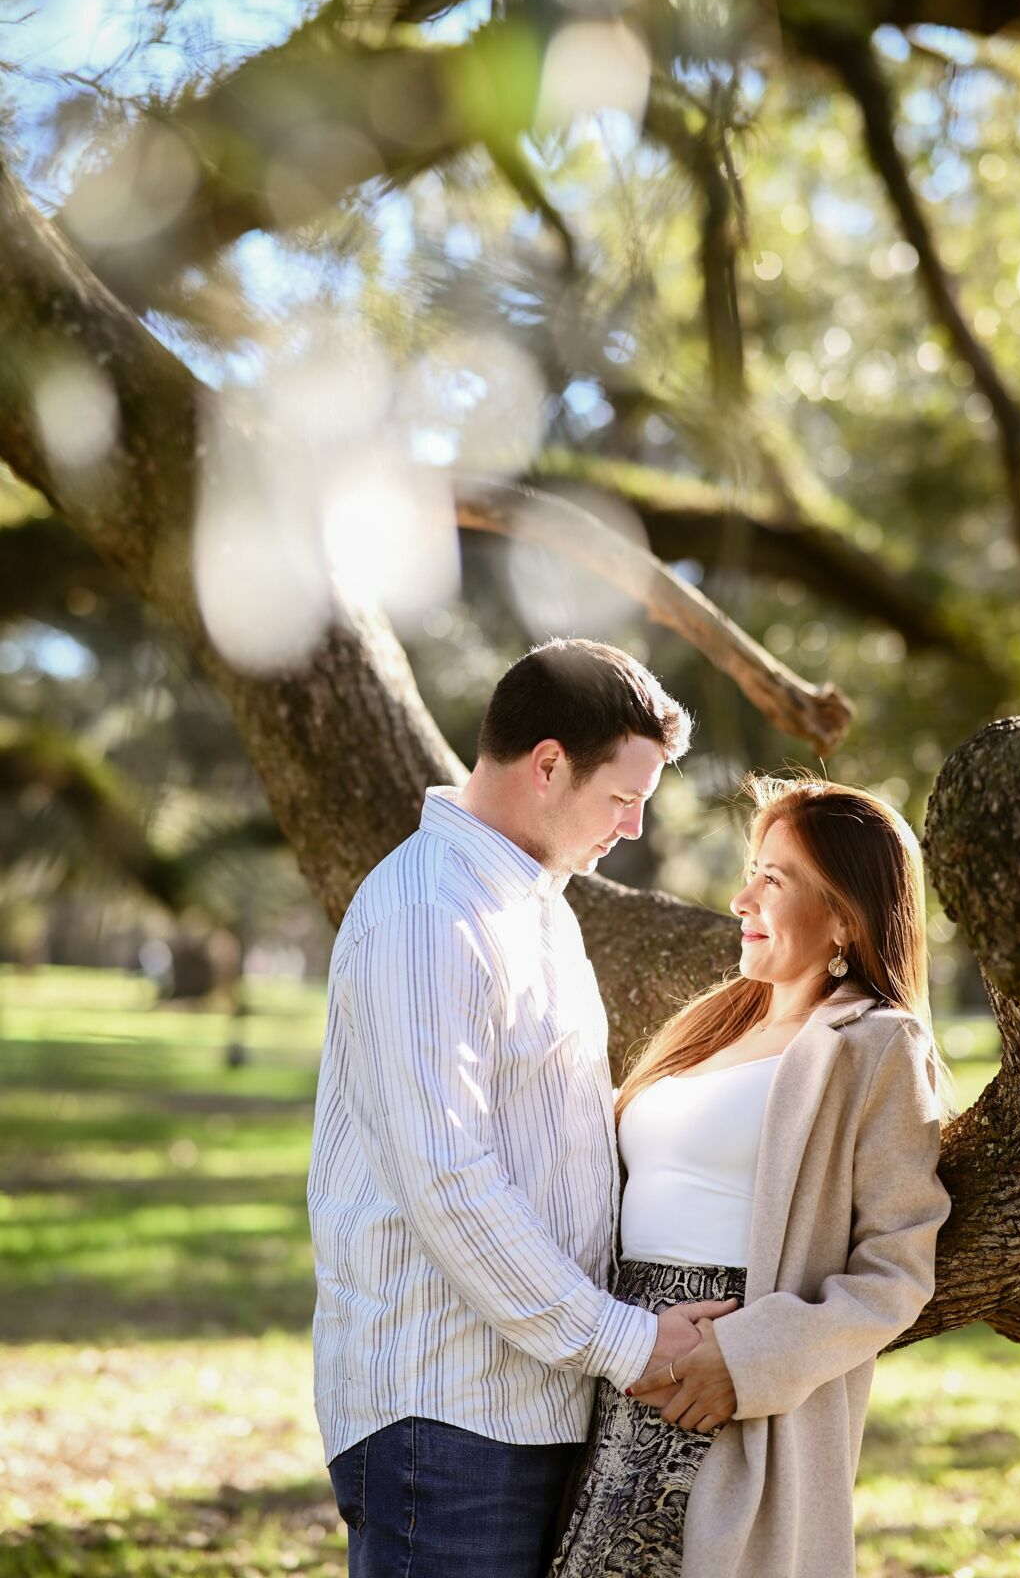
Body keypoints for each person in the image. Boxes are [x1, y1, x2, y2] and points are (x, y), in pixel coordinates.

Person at [307, 637, 725, 1578]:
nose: (629, 831)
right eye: (623, 799)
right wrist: (627, 1340)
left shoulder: (535, 910)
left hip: (531, 1401)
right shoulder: (428, 912)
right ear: (546, 766)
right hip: (445, 1418)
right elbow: (451, 1181)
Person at [549, 774, 954, 1578]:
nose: (742, 898)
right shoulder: (709, 1025)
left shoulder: (877, 1045)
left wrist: (745, 1358)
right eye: (751, 871)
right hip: (618, 1368)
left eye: (774, 877)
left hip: (725, 1395)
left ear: (845, 913)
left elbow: (896, 1272)